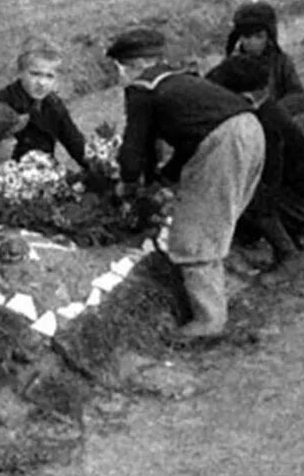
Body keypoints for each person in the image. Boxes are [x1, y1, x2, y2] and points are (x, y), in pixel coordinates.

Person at [108, 28, 264, 339]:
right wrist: (163, 178)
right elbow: (189, 138)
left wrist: (127, 184)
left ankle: (208, 322)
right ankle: (221, 290)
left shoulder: (142, 89)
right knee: (219, 218)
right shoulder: (179, 81)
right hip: (251, 130)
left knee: (194, 233)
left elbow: (135, 144)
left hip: (224, 142)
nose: (121, 76)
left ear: (132, 65)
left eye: (120, 69)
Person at [206, 54, 304, 280]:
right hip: (298, 195)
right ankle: (295, 231)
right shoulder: (265, 111)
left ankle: (289, 254)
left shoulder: (267, 124)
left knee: (246, 193)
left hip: (303, 201)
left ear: (244, 97)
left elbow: (268, 179)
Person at [0, 37, 89, 170]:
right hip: (11, 174)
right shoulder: (2, 103)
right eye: (35, 74)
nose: (42, 83)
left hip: (45, 172)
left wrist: (98, 165)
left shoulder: (54, 105)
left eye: (49, 76)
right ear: (20, 72)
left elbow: (75, 143)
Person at [222, 1, 304, 115]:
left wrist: (275, 111)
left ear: (269, 37)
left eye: (258, 36)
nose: (252, 43)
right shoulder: (231, 66)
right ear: (239, 37)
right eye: (246, 36)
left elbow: (298, 97)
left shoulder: (281, 63)